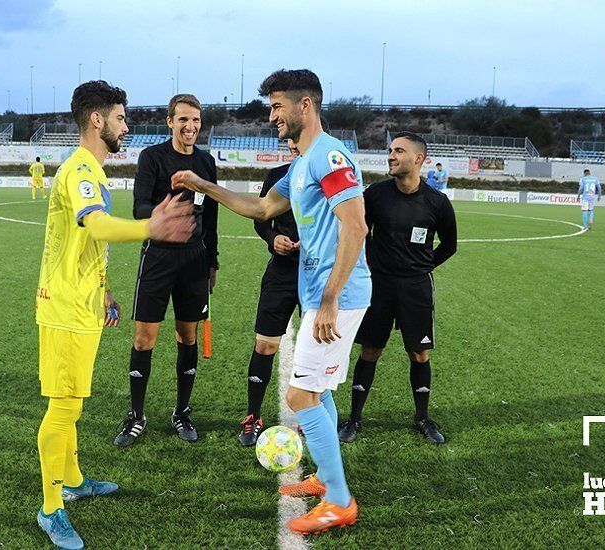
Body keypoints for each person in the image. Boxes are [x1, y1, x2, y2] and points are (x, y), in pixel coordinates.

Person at [172, 69, 369, 534]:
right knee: (317, 391)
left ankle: (339, 500)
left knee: (299, 394)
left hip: (337, 298)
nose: (271, 115)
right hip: (323, 294)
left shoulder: (330, 155)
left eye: (278, 106)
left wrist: (328, 300)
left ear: (306, 105)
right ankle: (325, 478)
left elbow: (356, 226)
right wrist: (205, 187)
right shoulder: (301, 164)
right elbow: (261, 209)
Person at [34, 80, 194, 549]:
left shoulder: (93, 170)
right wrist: (151, 226)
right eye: (121, 118)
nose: (127, 126)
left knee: (74, 403)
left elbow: (89, 242)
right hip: (63, 310)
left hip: (82, 306)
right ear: (98, 120)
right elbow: (96, 224)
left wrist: (104, 291)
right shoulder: (81, 170)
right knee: (62, 409)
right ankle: (50, 507)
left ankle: (75, 480)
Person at [113, 93, 219, 447]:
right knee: (145, 337)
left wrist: (213, 260)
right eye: (184, 120)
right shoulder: (153, 157)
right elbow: (139, 207)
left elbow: (213, 217)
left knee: (187, 337)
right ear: (171, 122)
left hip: (194, 261)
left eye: (196, 120)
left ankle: (182, 411)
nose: (191, 127)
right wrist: (162, 211)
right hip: (157, 257)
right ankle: (136, 416)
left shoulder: (206, 162)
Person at [338, 132, 457, 445]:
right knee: (370, 350)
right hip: (378, 285)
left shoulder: (437, 202)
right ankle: (354, 418)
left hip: (416, 288)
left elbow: (450, 245)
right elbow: (357, 229)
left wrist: (422, 266)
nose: (390, 156)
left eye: (398, 151)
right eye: (389, 150)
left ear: (418, 159)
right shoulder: (376, 194)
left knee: (419, 353)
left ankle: (422, 418)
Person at [238, 139, 300, 447]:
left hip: (317, 275)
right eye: (290, 143)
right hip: (282, 271)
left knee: (315, 349)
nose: (293, 146)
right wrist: (273, 237)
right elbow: (261, 219)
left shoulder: (330, 177)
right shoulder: (277, 175)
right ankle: (253, 415)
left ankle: (310, 416)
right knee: (264, 345)